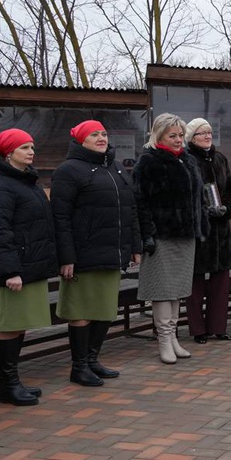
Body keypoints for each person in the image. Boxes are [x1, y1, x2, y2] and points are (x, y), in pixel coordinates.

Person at [51, 120, 141, 387]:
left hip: (112, 253)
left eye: (103, 133)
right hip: (82, 255)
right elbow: (60, 217)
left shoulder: (114, 167)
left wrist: (135, 246)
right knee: (81, 310)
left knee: (103, 309)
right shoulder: (68, 171)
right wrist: (66, 256)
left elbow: (130, 209)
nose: (101, 138)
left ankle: (92, 361)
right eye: (94, 134)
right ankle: (78, 367)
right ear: (80, 140)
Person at [0, 129, 57, 406]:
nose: (31, 151)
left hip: (29, 266)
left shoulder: (26, 182)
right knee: (10, 324)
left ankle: (12, 380)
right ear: (8, 152)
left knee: (20, 324)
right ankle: (6, 384)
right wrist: (10, 270)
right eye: (24, 147)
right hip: (14, 270)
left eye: (32, 147)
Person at [133, 113, 206, 364]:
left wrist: (201, 225)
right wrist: (147, 235)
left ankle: (173, 336)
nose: (177, 140)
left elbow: (198, 199)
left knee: (177, 290)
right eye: (171, 136)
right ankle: (163, 339)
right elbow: (140, 203)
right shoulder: (149, 162)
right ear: (159, 136)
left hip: (186, 235)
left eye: (179, 135)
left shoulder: (188, 160)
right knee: (162, 290)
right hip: (161, 236)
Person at [185, 118, 231, 343]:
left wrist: (225, 209)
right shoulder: (187, 160)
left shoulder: (220, 158)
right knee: (195, 284)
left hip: (221, 232)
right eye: (201, 133)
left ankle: (218, 326)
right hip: (199, 231)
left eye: (209, 132)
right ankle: (198, 330)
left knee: (220, 282)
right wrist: (204, 211)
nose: (207, 136)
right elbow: (187, 194)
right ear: (192, 137)